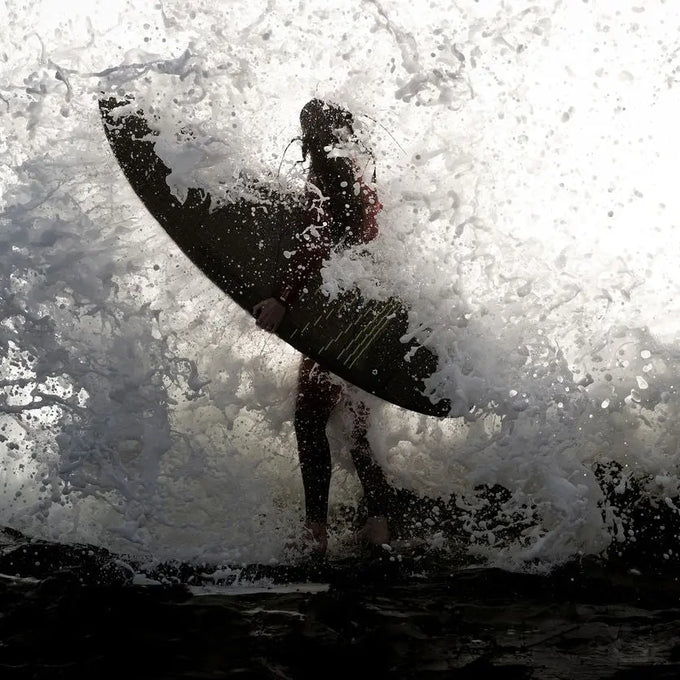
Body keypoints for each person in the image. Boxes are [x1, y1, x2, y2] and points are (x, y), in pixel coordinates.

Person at [253, 98, 393, 555]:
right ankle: (379, 524)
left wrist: (282, 298)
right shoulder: (360, 181)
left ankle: (315, 533)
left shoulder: (322, 179)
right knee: (355, 427)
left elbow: (314, 244)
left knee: (309, 421)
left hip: (333, 324)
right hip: (363, 317)